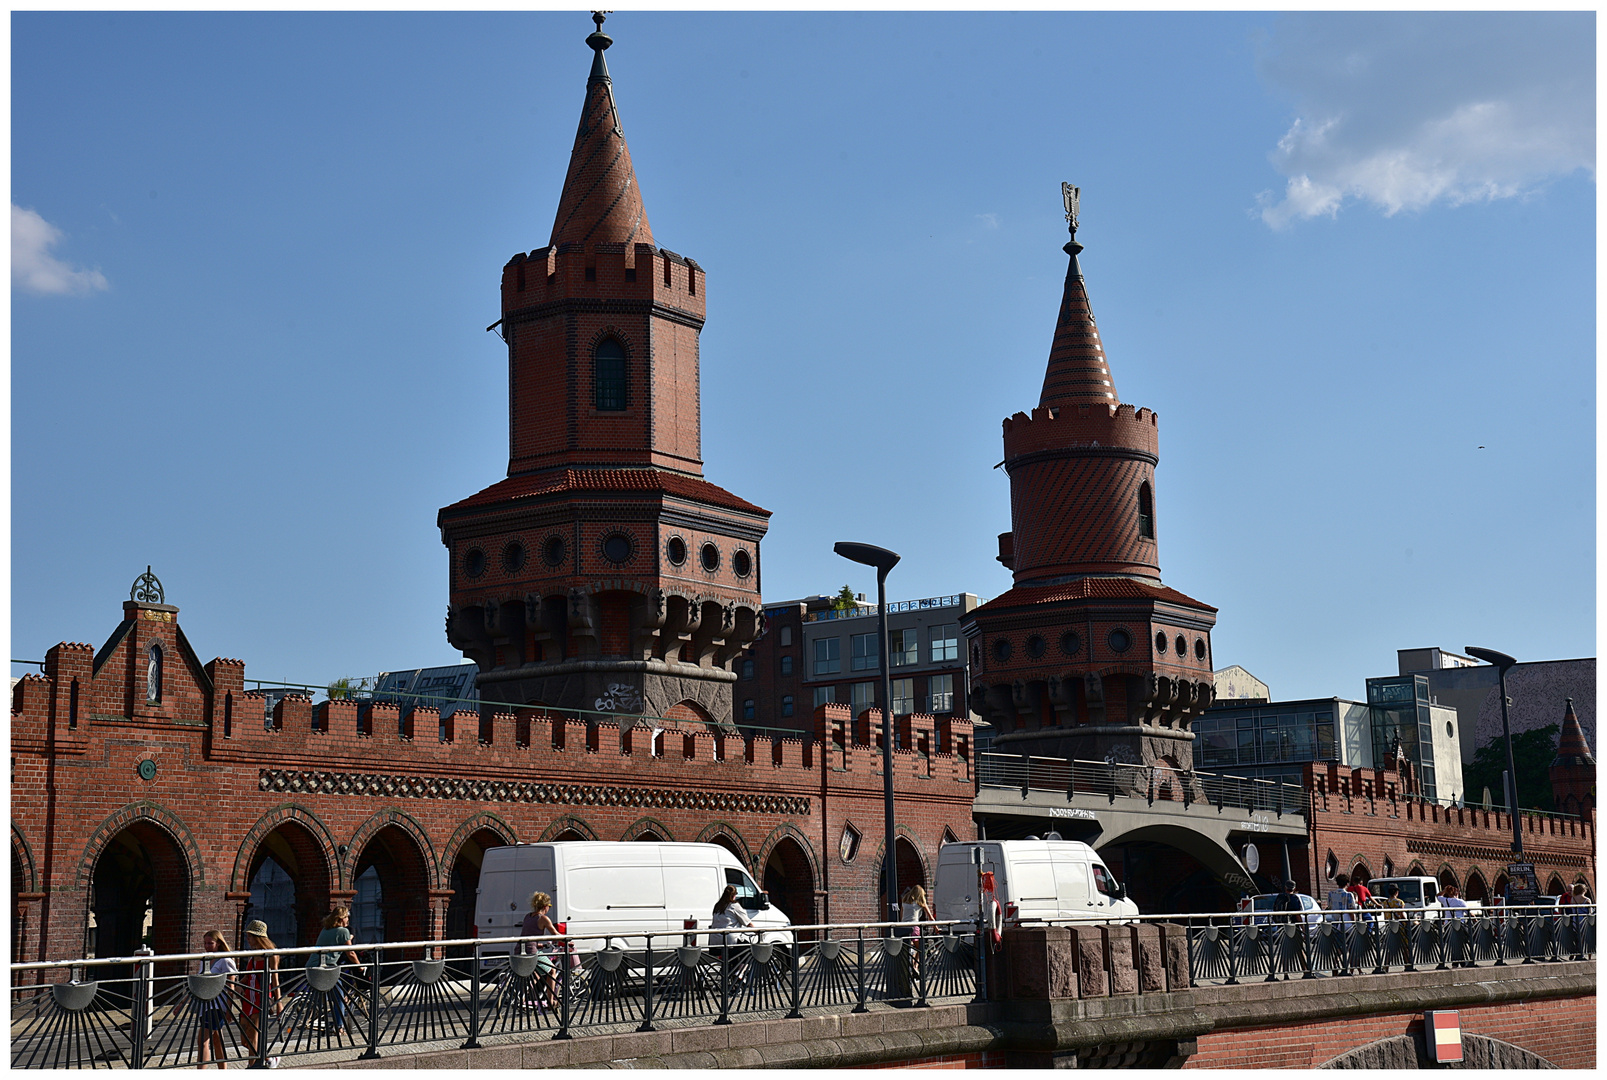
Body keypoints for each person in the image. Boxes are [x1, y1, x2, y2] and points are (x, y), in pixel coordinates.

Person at [307, 907, 364, 1036]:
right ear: (341, 919)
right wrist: (360, 966)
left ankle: (319, 1016)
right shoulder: (343, 931)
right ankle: (339, 1028)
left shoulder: (325, 929)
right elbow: (350, 953)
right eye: (347, 917)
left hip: (313, 966)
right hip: (327, 968)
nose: (348, 919)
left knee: (328, 994)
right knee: (340, 998)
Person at [238, 920, 282, 1066]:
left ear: (257, 937)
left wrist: (279, 1002)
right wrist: (234, 985)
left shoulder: (270, 956)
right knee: (244, 1040)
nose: (248, 939)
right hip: (247, 999)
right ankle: (268, 1059)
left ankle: (252, 1068)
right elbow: (246, 977)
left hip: (260, 998)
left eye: (250, 936)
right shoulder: (253, 954)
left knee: (253, 1038)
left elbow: (275, 980)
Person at [195, 930, 237, 1069]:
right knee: (217, 1039)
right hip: (206, 1003)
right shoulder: (205, 959)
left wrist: (229, 1009)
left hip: (218, 1005)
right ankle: (223, 1071)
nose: (207, 946)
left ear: (218, 943)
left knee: (203, 1040)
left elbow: (231, 986)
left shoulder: (225, 960)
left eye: (210, 943)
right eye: (205, 943)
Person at [519, 892, 560, 1010]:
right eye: (549, 906)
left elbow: (529, 934)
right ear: (545, 906)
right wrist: (568, 939)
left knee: (536, 974)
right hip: (532, 952)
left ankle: (522, 998)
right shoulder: (543, 918)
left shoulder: (528, 916)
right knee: (552, 971)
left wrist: (540, 944)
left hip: (520, 949)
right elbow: (555, 934)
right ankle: (551, 1001)